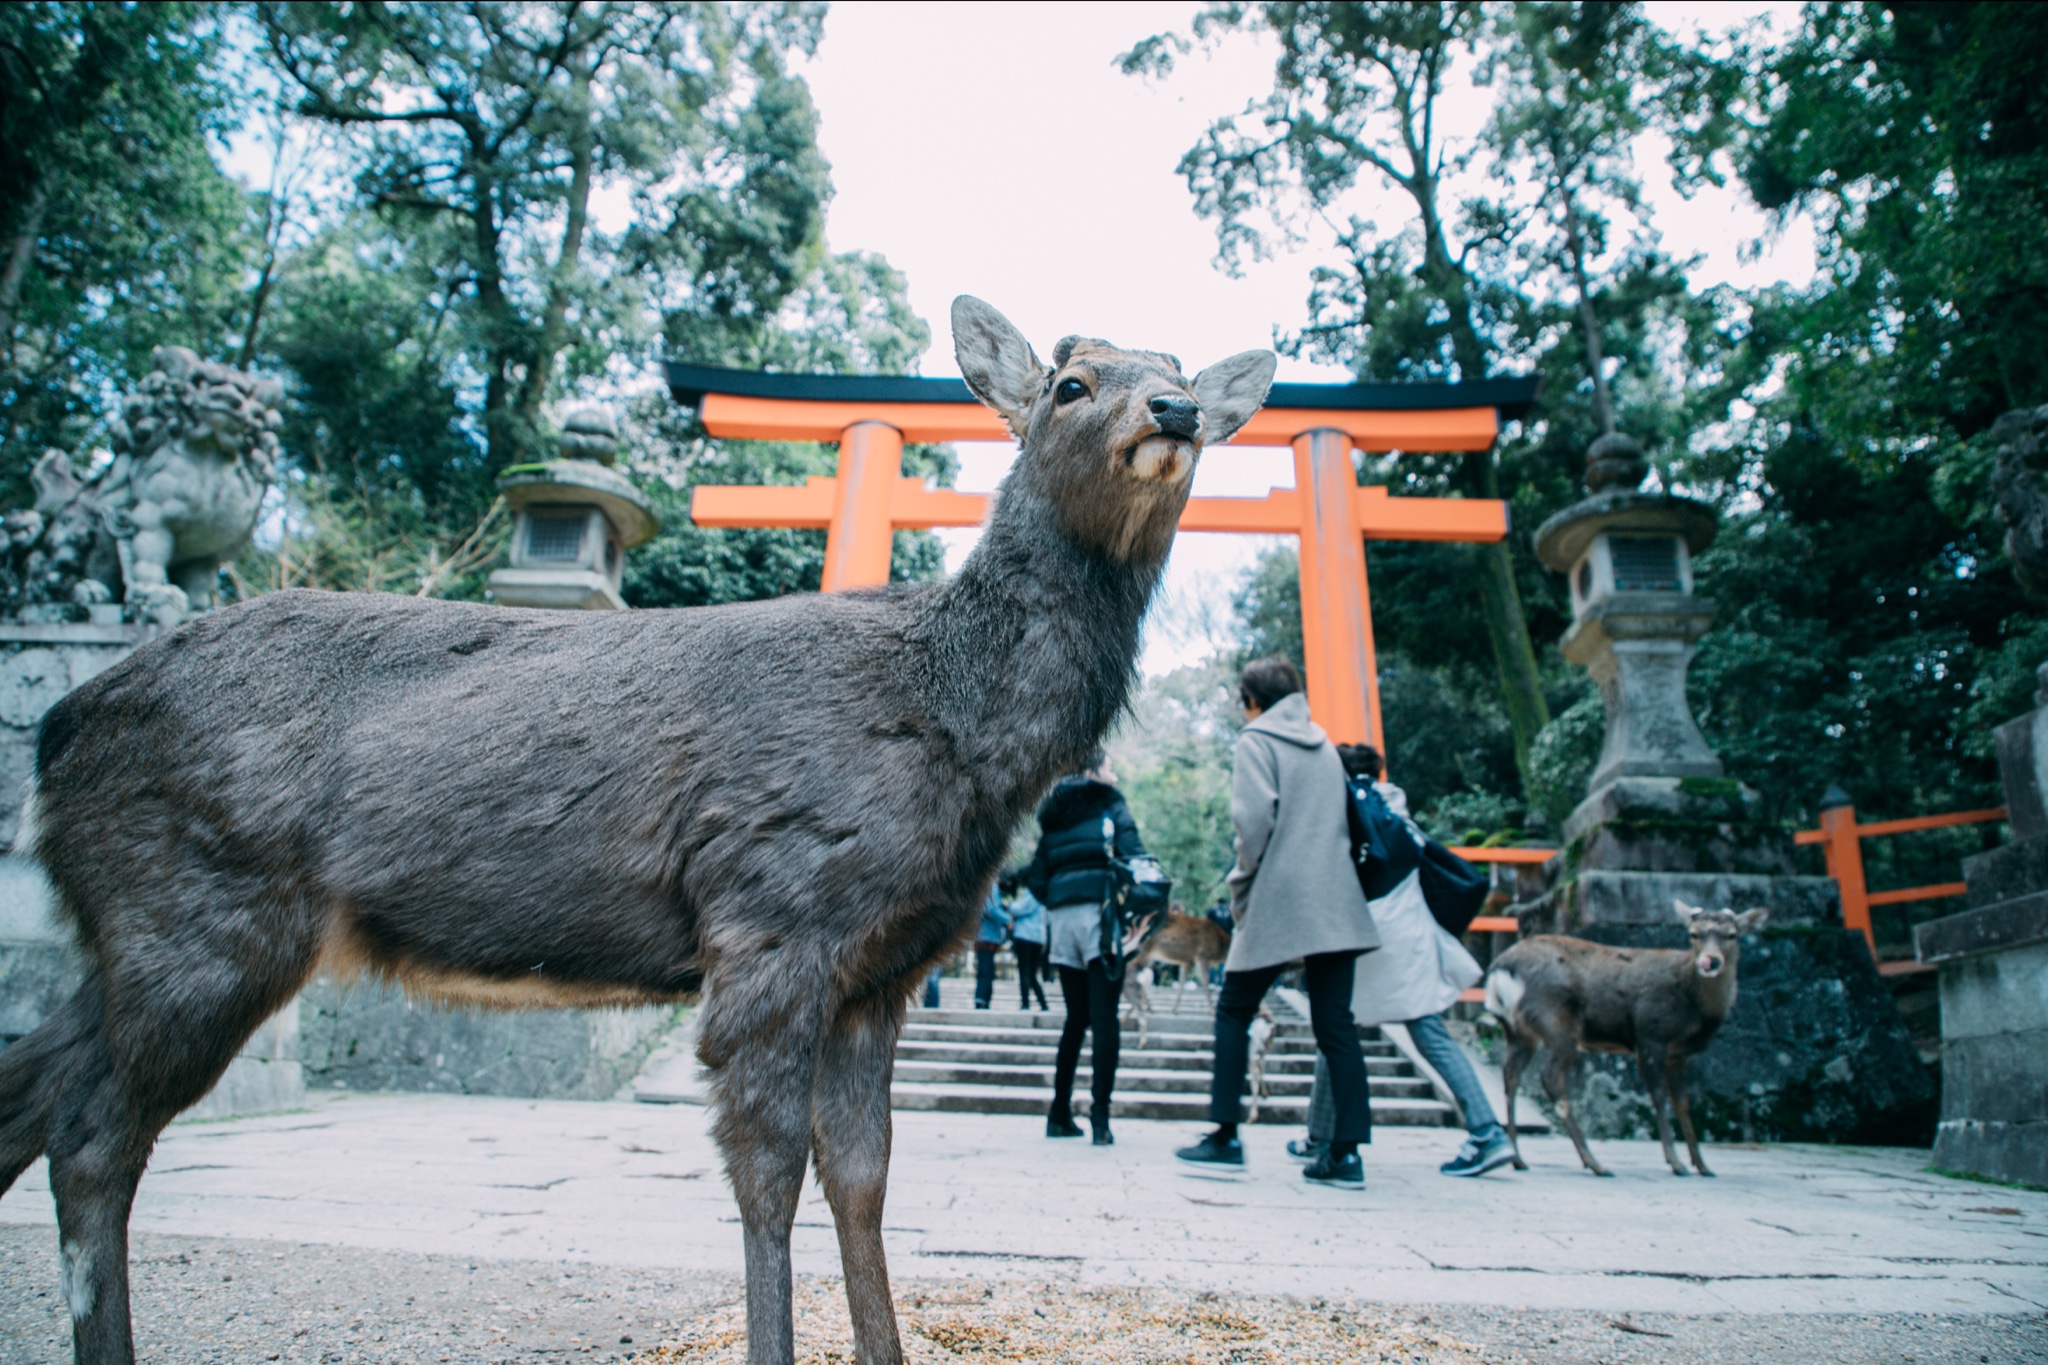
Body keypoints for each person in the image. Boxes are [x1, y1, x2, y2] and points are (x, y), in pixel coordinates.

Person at [1176, 657, 1380, 1189]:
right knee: (1337, 1025)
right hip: (1336, 898)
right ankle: (1346, 1154)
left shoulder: (1255, 742)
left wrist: (1240, 882)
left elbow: (1253, 824)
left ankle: (1224, 1135)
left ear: (1251, 700)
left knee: (1234, 1010)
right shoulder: (1322, 744)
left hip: (1281, 897)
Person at [1292, 744, 1519, 1178]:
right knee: (1424, 1030)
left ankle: (1321, 1136)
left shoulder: (1345, 802)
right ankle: (1486, 1130)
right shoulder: (1392, 808)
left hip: (1366, 931)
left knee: (1336, 1027)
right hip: (1410, 932)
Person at [1018, 749, 1149, 1146]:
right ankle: (1100, 1119)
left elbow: (1037, 876)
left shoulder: (1054, 816)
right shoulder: (1111, 806)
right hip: (1100, 918)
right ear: (1092, 771)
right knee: (1105, 1018)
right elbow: (1136, 859)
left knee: (1076, 1020)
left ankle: (1059, 1113)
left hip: (1063, 925)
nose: (1115, 776)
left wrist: (1059, 898)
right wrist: (1138, 911)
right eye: (1110, 767)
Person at [1009, 884, 1050, 1011]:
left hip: (1025, 936)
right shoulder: (1044, 894)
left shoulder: (1032, 892)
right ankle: (1043, 1003)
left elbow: (1018, 909)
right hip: (1038, 938)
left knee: (1024, 972)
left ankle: (1026, 1003)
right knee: (1031, 973)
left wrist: (1011, 904)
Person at [972, 884, 1007, 1010]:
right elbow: (990, 909)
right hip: (986, 936)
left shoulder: (986, 885)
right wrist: (1008, 920)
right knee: (986, 970)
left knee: (986, 970)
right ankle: (981, 1000)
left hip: (984, 935)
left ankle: (984, 1000)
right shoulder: (991, 886)